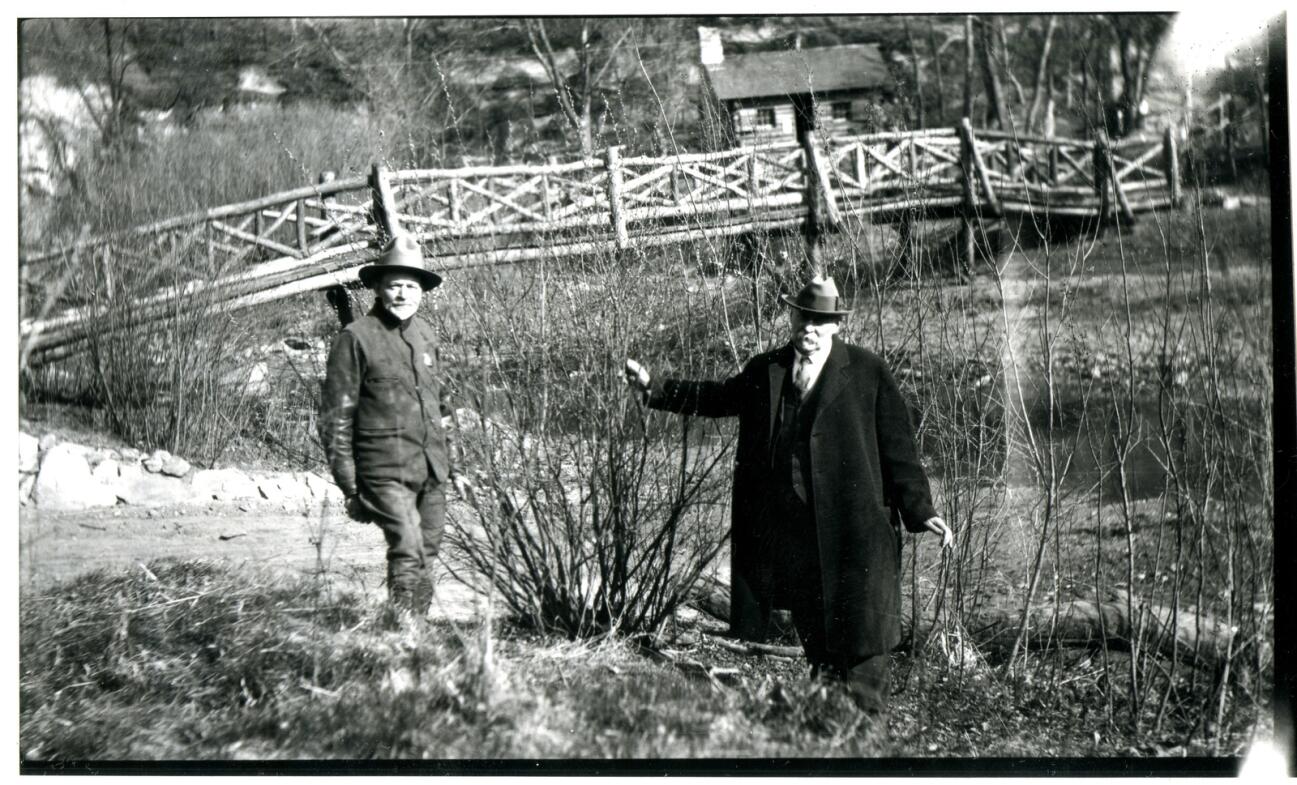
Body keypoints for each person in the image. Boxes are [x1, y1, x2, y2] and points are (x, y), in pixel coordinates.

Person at [624, 275, 953, 716]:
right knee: (820, 655)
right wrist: (654, 389)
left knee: (863, 655)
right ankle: (825, 746)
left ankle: (868, 757)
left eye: (821, 321)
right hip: (797, 545)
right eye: (804, 317)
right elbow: (718, 397)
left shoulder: (868, 371)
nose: (810, 328)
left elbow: (899, 451)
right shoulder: (768, 371)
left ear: (836, 325)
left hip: (857, 539)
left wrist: (921, 510)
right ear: (792, 317)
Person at [319, 232, 465, 617]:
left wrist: (457, 466)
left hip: (433, 469)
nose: (403, 294)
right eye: (394, 285)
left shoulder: (426, 336)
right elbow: (336, 420)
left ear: (422, 292)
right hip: (384, 471)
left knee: (427, 552)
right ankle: (405, 635)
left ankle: (416, 634)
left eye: (411, 286)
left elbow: (444, 407)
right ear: (379, 288)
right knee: (408, 547)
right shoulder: (355, 338)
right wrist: (351, 488)